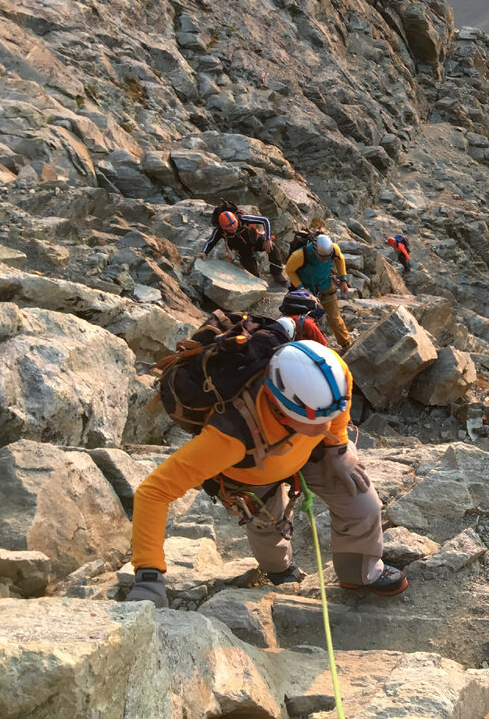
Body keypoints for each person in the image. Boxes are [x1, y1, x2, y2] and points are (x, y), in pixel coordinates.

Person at [126, 340, 407, 607]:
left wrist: (339, 448)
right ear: (282, 411)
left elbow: (340, 401)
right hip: (250, 474)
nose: (325, 427)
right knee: (269, 528)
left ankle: (359, 574)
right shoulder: (228, 438)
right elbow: (154, 492)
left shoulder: (330, 372)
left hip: (314, 454)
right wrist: (148, 575)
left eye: (328, 417)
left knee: (362, 500)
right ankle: (278, 570)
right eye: (314, 421)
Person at [285, 234, 352, 351]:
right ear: (315, 251)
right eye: (322, 257)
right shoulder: (300, 255)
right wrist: (301, 288)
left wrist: (343, 280)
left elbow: (340, 259)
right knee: (308, 322)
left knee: (335, 318)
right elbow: (289, 270)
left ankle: (346, 344)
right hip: (306, 293)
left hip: (326, 286)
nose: (325, 260)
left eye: (328, 257)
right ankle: (312, 348)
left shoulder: (334, 249)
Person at [196, 202, 288, 286]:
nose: (233, 230)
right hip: (242, 251)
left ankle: (277, 274)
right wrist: (204, 252)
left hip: (256, 241)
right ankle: (259, 285)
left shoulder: (242, 218)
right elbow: (211, 242)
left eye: (234, 226)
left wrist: (267, 239)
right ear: (223, 227)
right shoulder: (219, 230)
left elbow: (265, 220)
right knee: (253, 274)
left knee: (272, 248)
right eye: (230, 229)